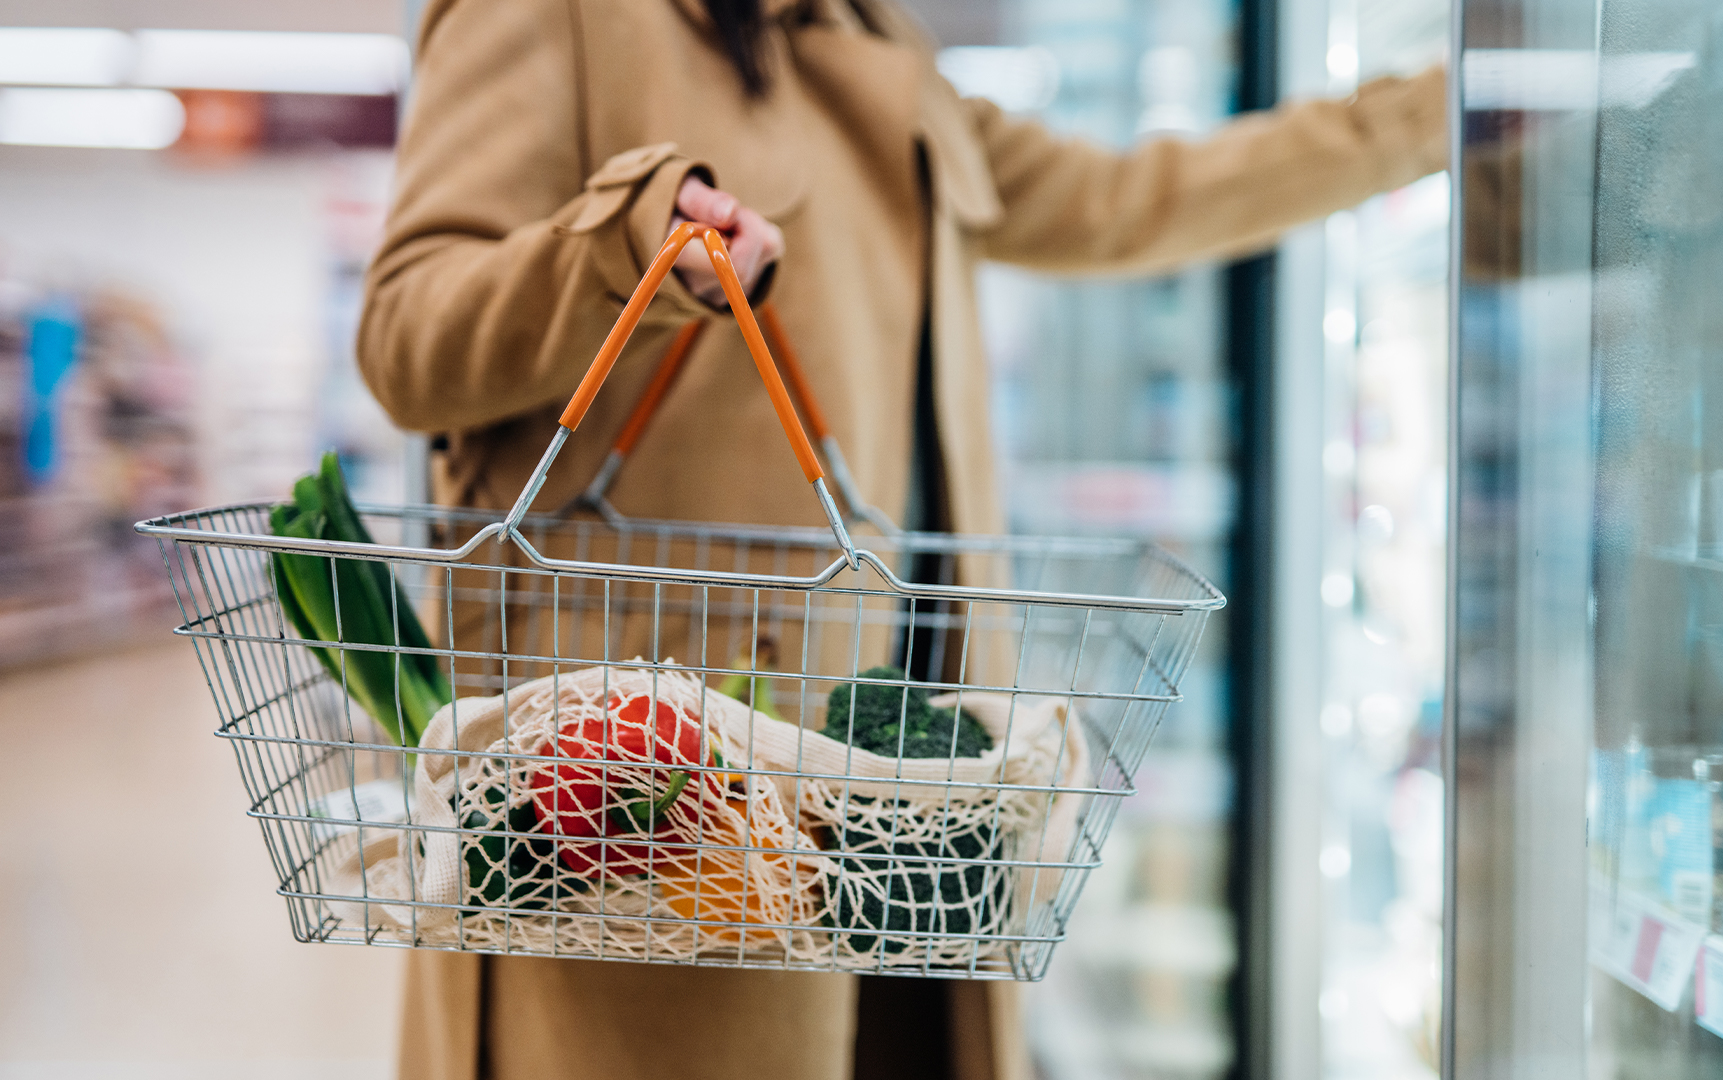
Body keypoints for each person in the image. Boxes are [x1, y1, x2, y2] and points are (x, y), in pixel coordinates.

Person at [357, 0, 1445, 1077]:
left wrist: (1435, 112)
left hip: (900, 786)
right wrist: (627, 244)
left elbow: (1127, 201)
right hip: (645, 809)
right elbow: (407, 339)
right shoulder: (553, 16)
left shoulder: (878, 39)